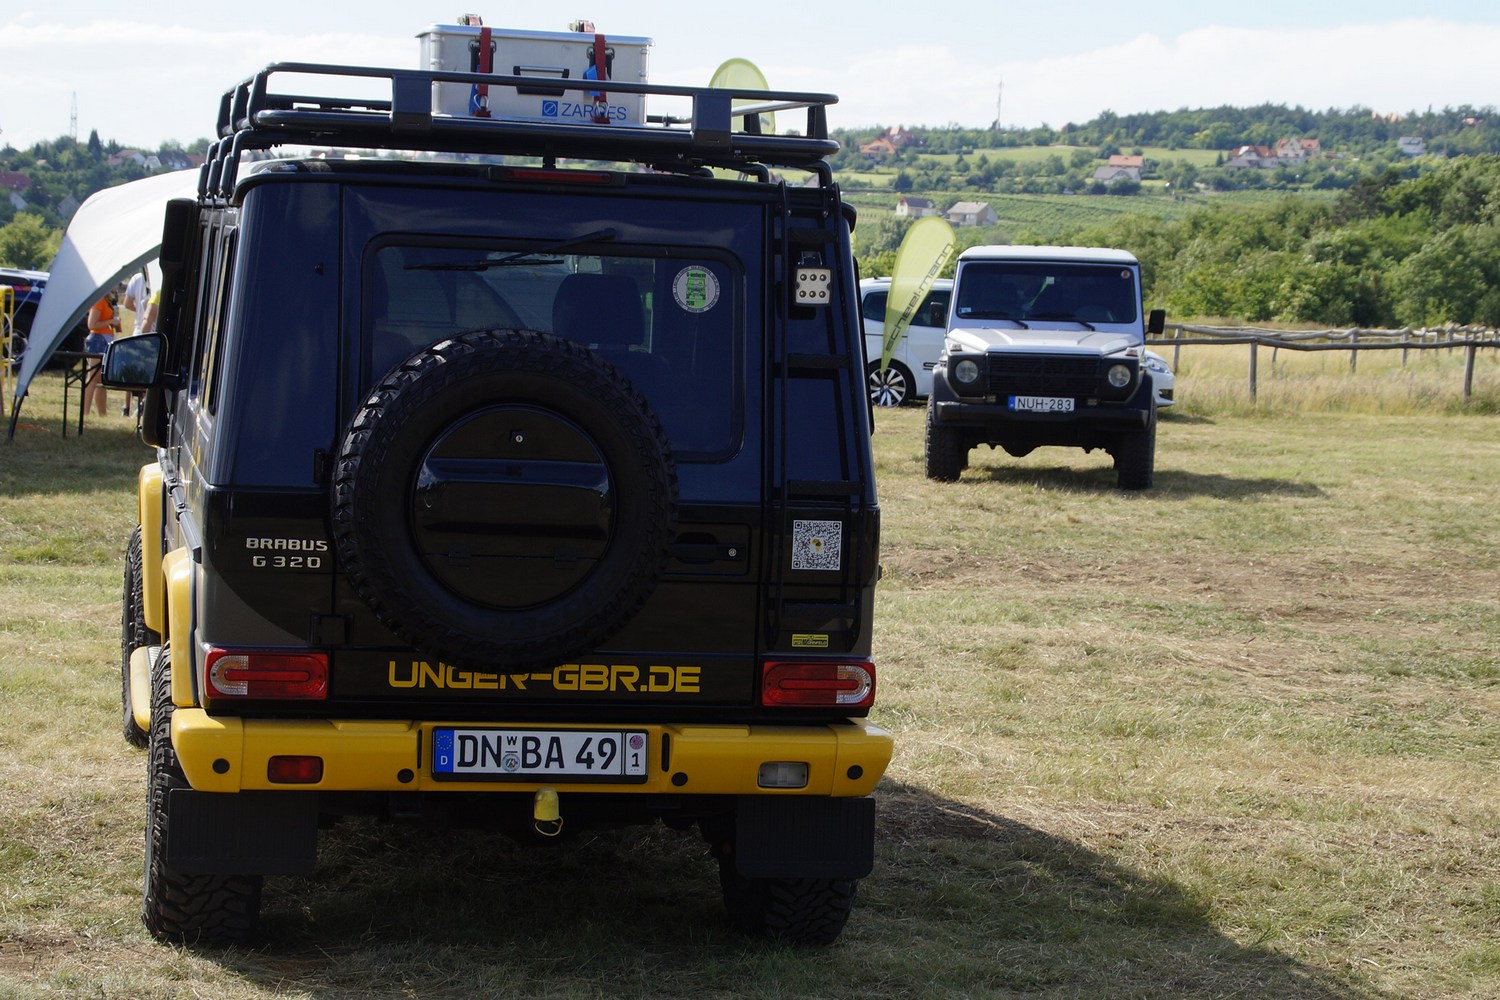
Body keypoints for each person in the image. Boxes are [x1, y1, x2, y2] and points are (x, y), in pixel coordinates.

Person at [83, 288, 122, 417]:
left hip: (106, 340)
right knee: (93, 378)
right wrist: (110, 321)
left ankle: (102, 414)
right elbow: (92, 324)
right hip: (97, 340)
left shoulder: (108, 300)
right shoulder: (99, 300)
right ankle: (85, 413)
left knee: (100, 379)